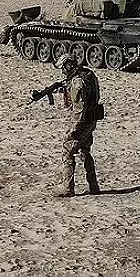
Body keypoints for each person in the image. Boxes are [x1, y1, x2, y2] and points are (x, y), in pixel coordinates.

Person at [53, 54, 104, 197]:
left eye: (63, 67)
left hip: (83, 121)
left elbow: (79, 110)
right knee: (84, 151)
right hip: (92, 119)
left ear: (69, 65)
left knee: (67, 150)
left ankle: (67, 188)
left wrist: (73, 130)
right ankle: (94, 187)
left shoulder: (77, 82)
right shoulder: (89, 74)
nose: (63, 71)